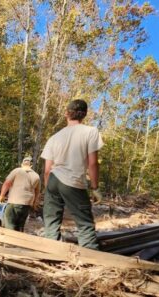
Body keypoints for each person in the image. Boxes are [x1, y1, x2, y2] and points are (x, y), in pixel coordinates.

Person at [40, 99, 104, 250]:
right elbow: (93, 163)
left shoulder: (54, 137)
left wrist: (48, 189)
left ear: (66, 114)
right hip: (73, 180)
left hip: (53, 179)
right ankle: (90, 255)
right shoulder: (90, 131)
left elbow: (47, 170)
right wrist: (95, 188)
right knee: (84, 222)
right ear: (84, 115)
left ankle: (51, 252)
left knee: (51, 221)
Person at [0, 156, 41, 232]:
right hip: (27, 205)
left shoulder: (17, 171)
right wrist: (34, 203)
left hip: (14, 202)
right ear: (31, 165)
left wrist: (2, 195)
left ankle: (9, 242)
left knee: (9, 225)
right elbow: (37, 191)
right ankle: (17, 242)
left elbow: (7, 183)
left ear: (22, 164)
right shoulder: (36, 176)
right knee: (20, 226)